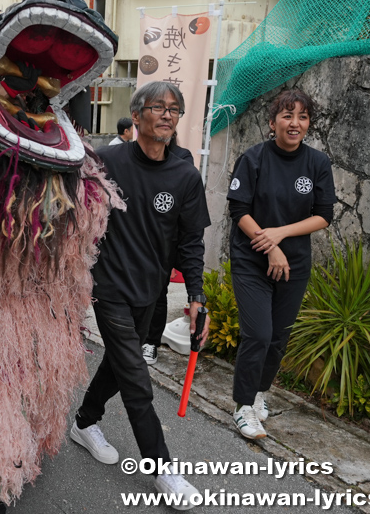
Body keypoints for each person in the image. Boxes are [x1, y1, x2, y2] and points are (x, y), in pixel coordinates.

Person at [70, 81, 210, 508]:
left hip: (150, 292)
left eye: (175, 109)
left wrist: (196, 295)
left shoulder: (185, 176)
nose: (167, 115)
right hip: (109, 287)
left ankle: (84, 421)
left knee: (119, 362)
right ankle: (162, 468)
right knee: (136, 379)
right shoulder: (106, 161)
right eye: (158, 107)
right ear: (137, 115)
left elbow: (190, 243)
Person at [226, 89, 335, 440]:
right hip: (251, 260)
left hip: (295, 263)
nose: (295, 123)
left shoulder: (318, 163)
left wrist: (280, 236)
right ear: (272, 123)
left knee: (278, 338)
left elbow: (324, 216)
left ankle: (259, 394)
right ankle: (242, 406)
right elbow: (239, 210)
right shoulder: (254, 159)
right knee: (258, 333)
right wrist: (269, 246)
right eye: (287, 115)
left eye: (302, 117)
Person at [141, 139, 197, 365]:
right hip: (136, 235)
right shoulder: (134, 155)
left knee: (157, 293)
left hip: (164, 241)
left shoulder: (182, 157)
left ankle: (151, 342)